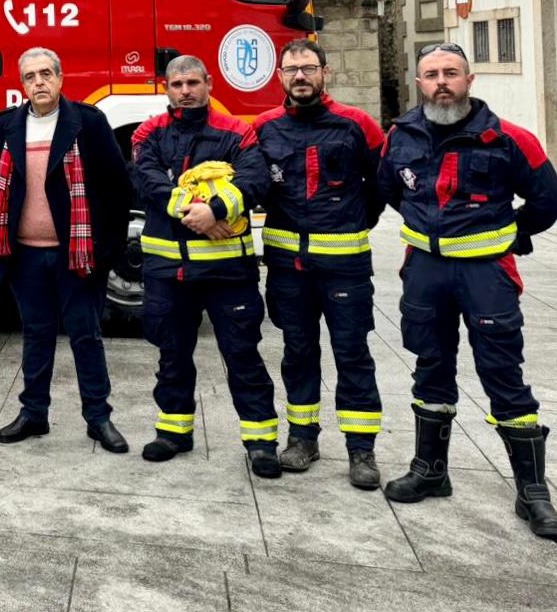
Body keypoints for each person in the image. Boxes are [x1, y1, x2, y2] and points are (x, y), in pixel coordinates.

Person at [379, 43, 557, 539]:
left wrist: (513, 236)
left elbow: (546, 200)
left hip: (486, 275)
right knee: (430, 365)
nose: (441, 82)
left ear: (469, 79)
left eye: (450, 73)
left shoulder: (509, 138)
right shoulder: (399, 137)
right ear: (419, 83)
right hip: (425, 273)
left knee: (503, 372)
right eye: (431, 74)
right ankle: (430, 471)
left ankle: (533, 492)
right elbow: (390, 190)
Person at [130, 55, 281, 478]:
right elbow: (147, 179)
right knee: (172, 355)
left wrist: (215, 209)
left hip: (226, 275)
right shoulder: (149, 132)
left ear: (208, 84)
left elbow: (254, 181)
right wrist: (194, 212)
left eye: (193, 82)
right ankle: (174, 432)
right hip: (168, 274)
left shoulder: (237, 131)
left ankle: (260, 441)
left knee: (243, 356)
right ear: (165, 88)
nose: (185, 91)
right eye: (176, 84)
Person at [0, 48, 132, 452]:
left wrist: (106, 252)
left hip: (77, 256)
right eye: (30, 76)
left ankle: (98, 419)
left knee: (86, 335)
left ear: (61, 78)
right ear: (22, 85)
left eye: (46, 73)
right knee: (36, 334)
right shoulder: (7, 125)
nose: (39, 82)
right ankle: (34, 414)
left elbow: (119, 188)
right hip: (25, 255)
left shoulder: (87, 122)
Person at [253, 40, 385, 489]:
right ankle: (302, 438)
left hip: (345, 265)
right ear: (280, 78)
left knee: (352, 354)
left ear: (325, 72)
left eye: (308, 68)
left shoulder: (357, 124)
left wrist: (354, 221)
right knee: (298, 352)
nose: (300, 77)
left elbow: (381, 184)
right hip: (289, 268)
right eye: (291, 70)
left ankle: (361, 448)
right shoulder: (265, 128)